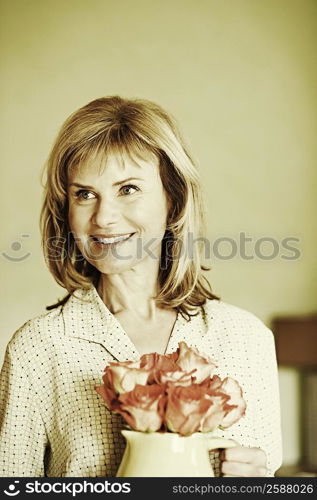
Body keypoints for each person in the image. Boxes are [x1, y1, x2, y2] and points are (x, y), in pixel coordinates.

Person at [0, 96, 282, 477]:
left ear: (173, 198)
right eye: (84, 194)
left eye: (128, 188)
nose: (104, 217)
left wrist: (260, 488)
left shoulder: (247, 339)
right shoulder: (37, 350)